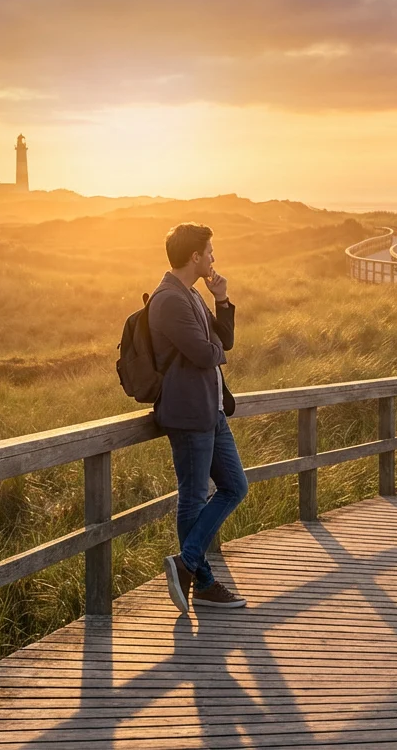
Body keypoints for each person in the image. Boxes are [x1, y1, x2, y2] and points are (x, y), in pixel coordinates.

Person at [149, 223, 248, 612]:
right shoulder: (169, 300)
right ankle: (202, 580)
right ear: (194, 256)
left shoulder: (191, 293)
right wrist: (213, 347)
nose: (213, 258)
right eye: (209, 251)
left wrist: (222, 300)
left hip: (211, 410)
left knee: (235, 486)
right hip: (188, 414)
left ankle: (186, 563)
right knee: (192, 498)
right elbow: (207, 353)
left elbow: (223, 342)